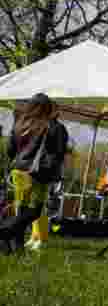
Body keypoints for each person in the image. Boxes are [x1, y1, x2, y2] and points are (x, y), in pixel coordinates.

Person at [0, 93, 70, 253]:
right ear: (47, 107)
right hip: (38, 171)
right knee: (35, 211)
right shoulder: (51, 125)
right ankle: (4, 232)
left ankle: (16, 247)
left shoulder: (19, 123)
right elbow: (59, 152)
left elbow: (10, 149)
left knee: (22, 209)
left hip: (18, 170)